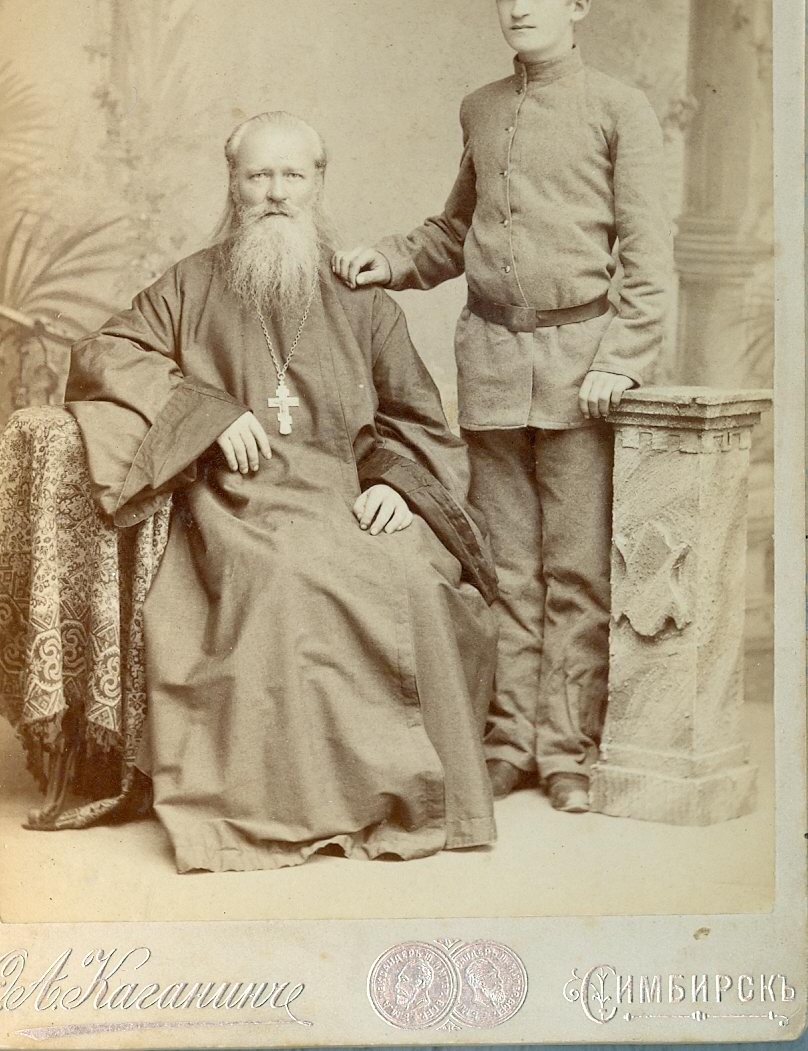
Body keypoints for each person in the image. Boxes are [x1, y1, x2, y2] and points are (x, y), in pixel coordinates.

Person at [64, 110, 500, 873]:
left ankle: (406, 798)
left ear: (318, 184)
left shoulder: (362, 297)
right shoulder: (190, 283)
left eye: (291, 175)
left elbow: (417, 418)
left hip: (346, 494)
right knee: (283, 580)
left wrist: (398, 486)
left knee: (414, 579)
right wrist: (207, 413)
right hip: (237, 503)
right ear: (233, 184)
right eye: (258, 175)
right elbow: (105, 353)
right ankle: (289, 809)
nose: (274, 192)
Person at [332, 0, 673, 814]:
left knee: (577, 573)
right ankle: (509, 742)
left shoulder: (619, 108)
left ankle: (566, 750)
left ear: (576, 5)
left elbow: (648, 259)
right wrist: (388, 259)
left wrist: (622, 361)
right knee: (506, 567)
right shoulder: (481, 108)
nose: (518, 9)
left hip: (581, 374)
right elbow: (456, 230)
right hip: (489, 368)